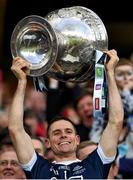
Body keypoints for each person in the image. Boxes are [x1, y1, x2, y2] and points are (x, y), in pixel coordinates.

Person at [8, 49, 124, 179]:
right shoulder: (37, 167)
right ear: (47, 143)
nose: (63, 135)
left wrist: (110, 72)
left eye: (68, 131)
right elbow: (15, 129)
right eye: (56, 133)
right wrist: (22, 81)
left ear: (77, 139)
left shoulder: (96, 164)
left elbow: (116, 122)